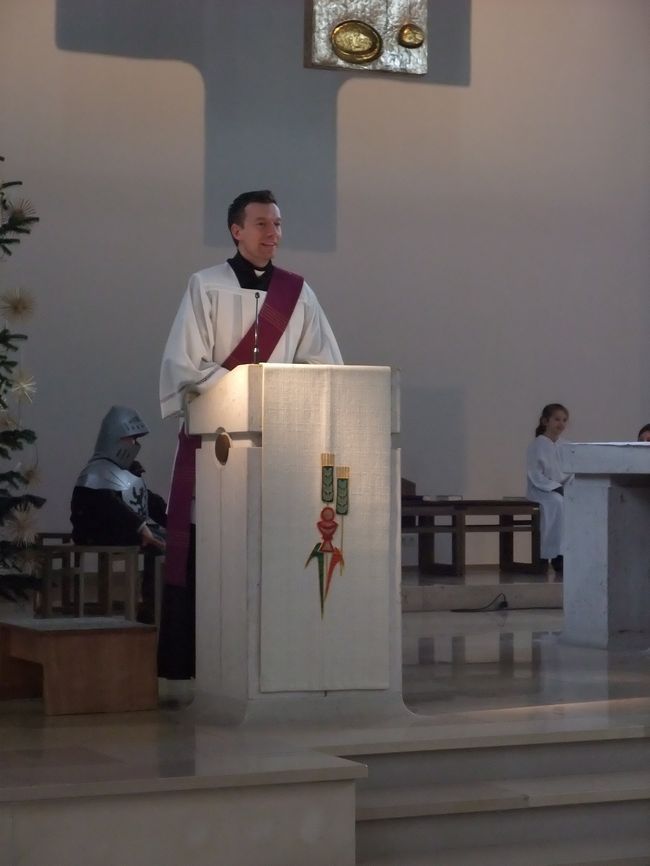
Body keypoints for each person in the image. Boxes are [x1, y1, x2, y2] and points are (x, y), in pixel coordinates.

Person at [158, 189, 343, 682]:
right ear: (236, 230)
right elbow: (185, 365)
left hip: (278, 446)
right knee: (212, 549)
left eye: (278, 225)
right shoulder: (206, 286)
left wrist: (279, 398)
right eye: (262, 224)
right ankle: (204, 661)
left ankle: (277, 657)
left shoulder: (299, 293)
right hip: (218, 444)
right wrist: (248, 389)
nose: (273, 234)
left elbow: (325, 365)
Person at [70, 406, 166, 623]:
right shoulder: (96, 472)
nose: (134, 445)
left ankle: (161, 607)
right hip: (99, 533)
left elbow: (145, 500)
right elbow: (107, 506)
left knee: (167, 540)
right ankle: (149, 607)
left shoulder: (127, 472)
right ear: (115, 438)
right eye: (130, 439)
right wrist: (140, 527)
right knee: (156, 546)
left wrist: (174, 521)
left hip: (124, 529)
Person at [526, 403, 572, 574]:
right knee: (557, 504)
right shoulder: (537, 445)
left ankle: (564, 554)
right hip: (541, 491)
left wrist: (567, 486)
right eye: (557, 419)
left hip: (561, 490)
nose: (561, 424)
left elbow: (570, 471)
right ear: (545, 421)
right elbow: (535, 474)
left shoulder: (566, 446)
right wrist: (555, 487)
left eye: (564, 420)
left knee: (571, 505)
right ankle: (547, 554)